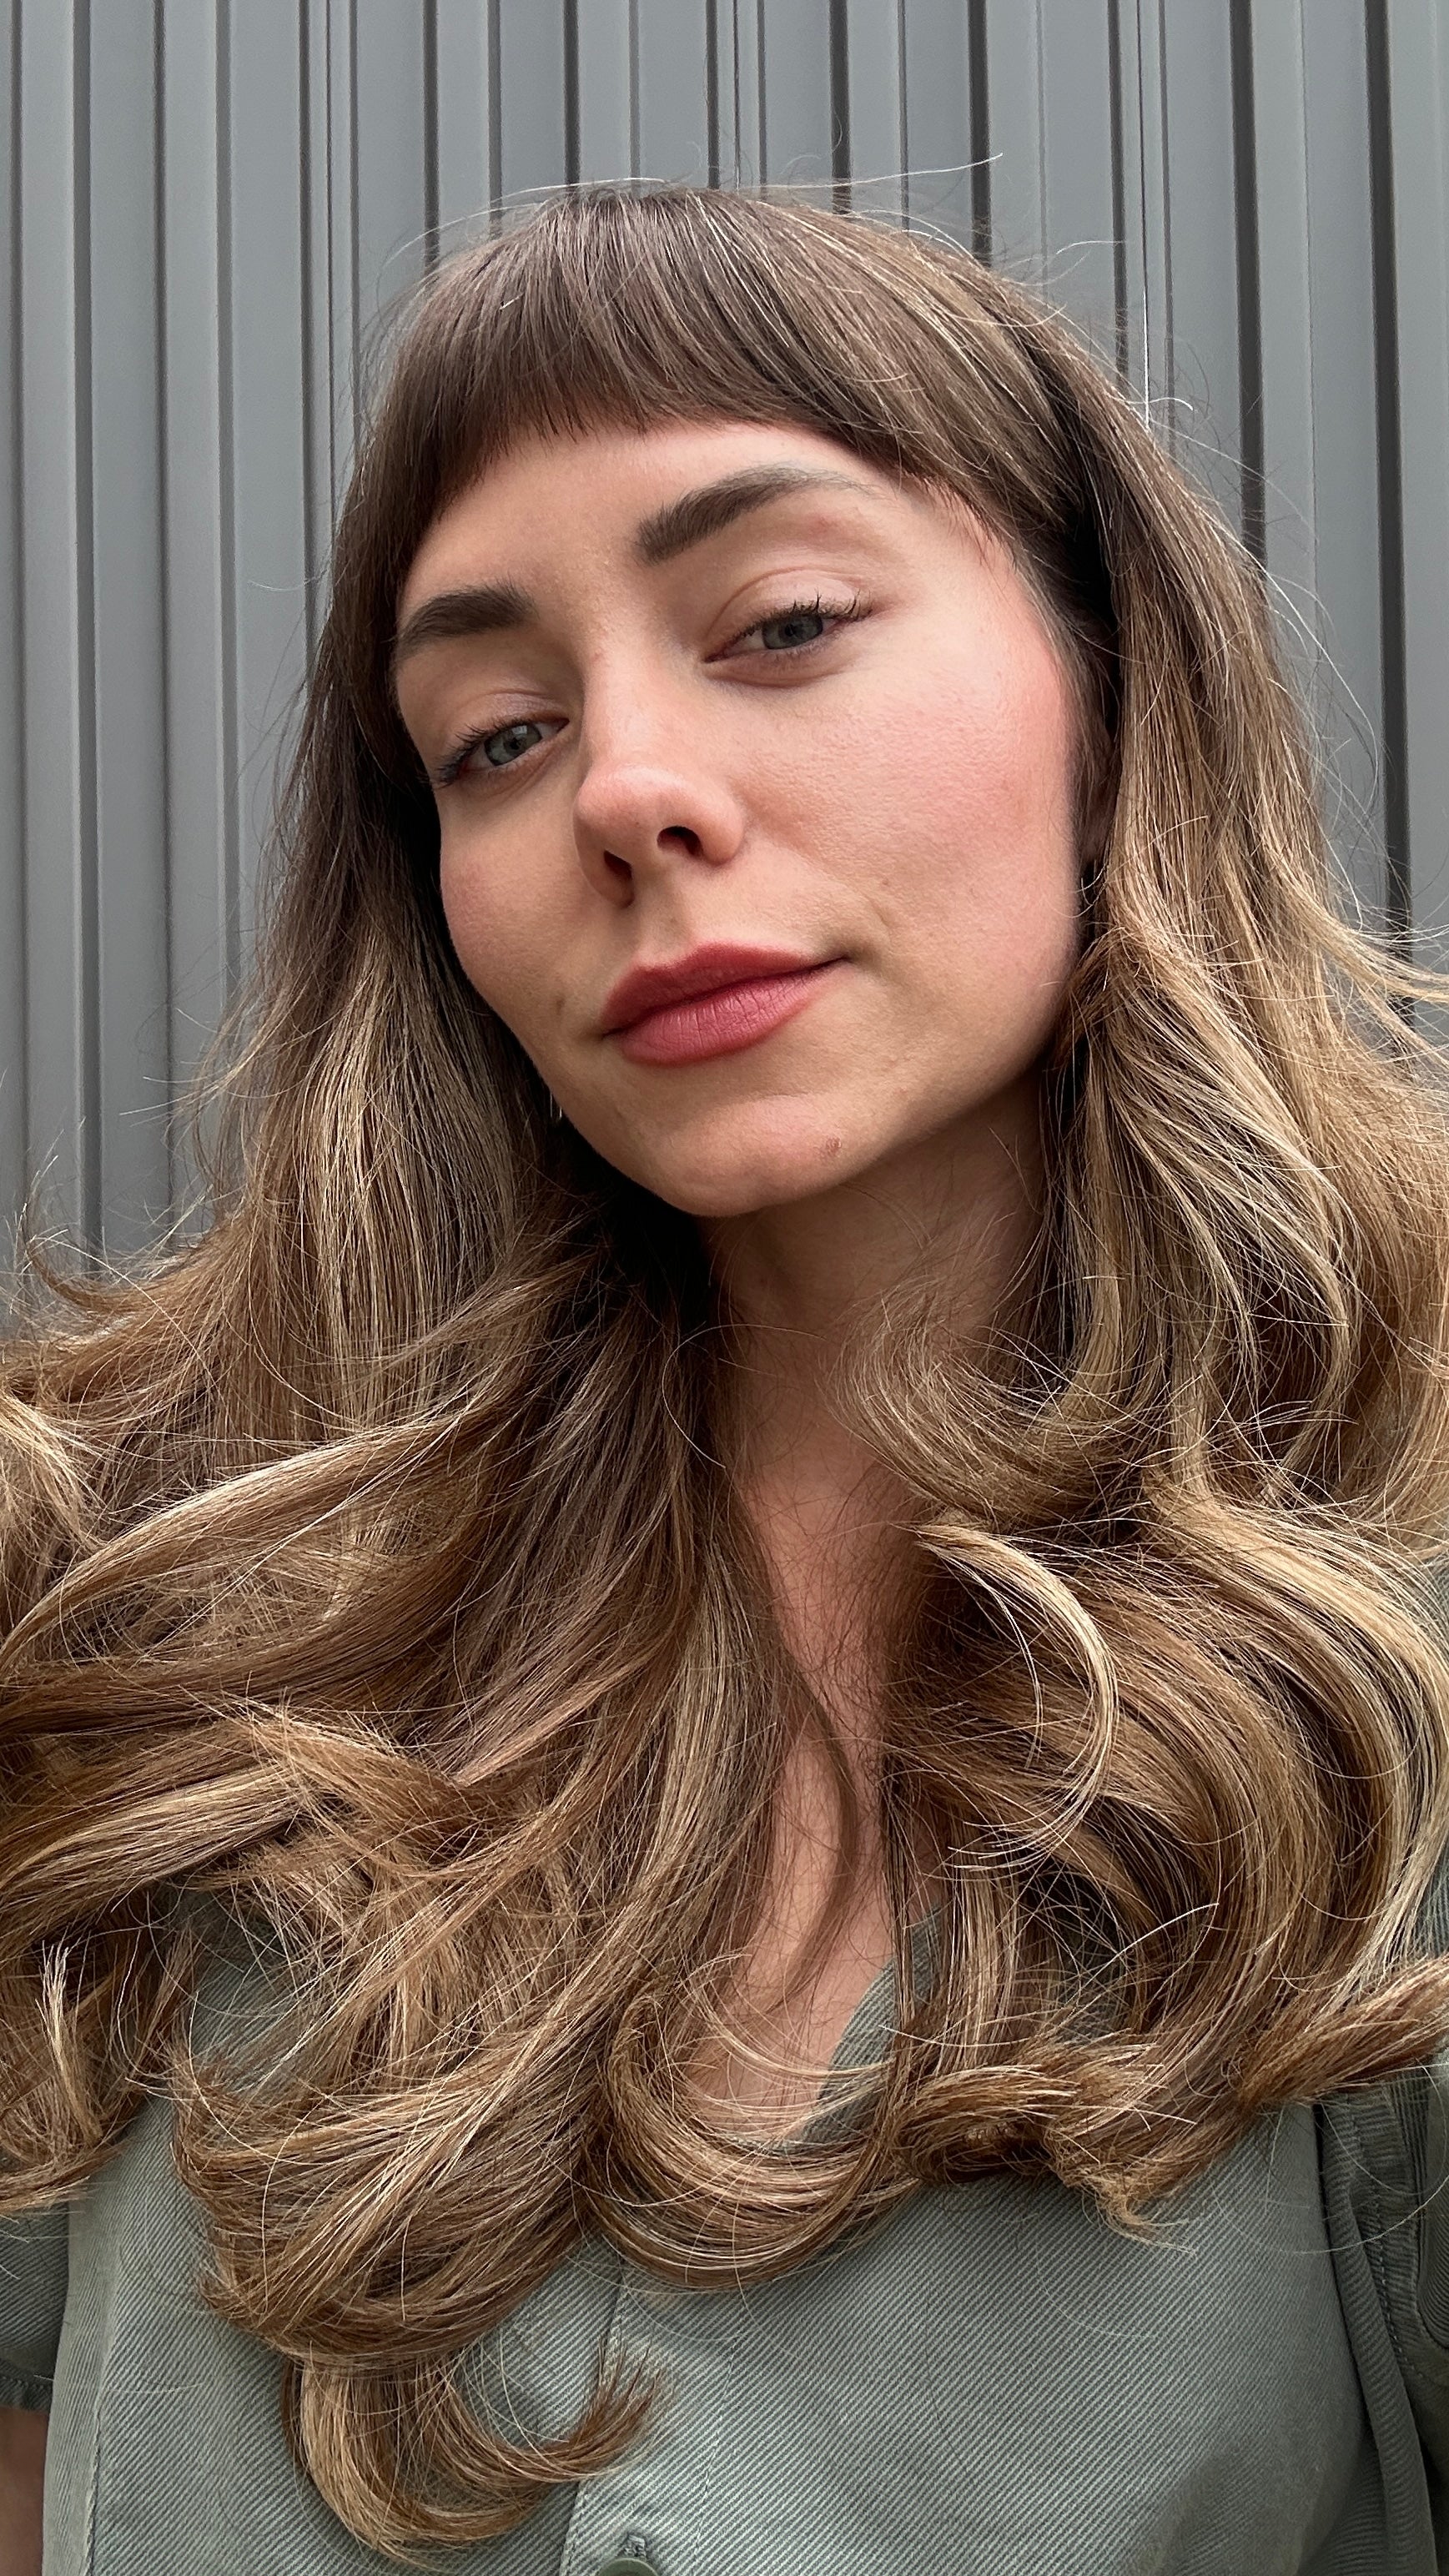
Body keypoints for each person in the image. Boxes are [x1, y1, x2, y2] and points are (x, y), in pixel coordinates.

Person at [3, 181, 1449, 2576]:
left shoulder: (1394, 1638)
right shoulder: (146, 1620)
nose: (623, 792)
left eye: (781, 624)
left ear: (1113, 679)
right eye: (496, 735)